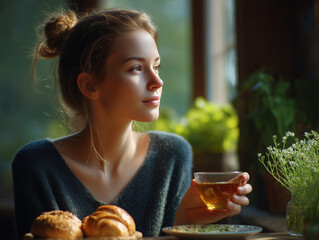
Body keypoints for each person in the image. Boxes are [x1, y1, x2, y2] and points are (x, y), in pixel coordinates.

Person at [12, 8, 252, 240]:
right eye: (136, 68)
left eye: (156, 66)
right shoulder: (36, 165)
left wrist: (184, 221)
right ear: (89, 85)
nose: (157, 81)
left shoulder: (173, 156)